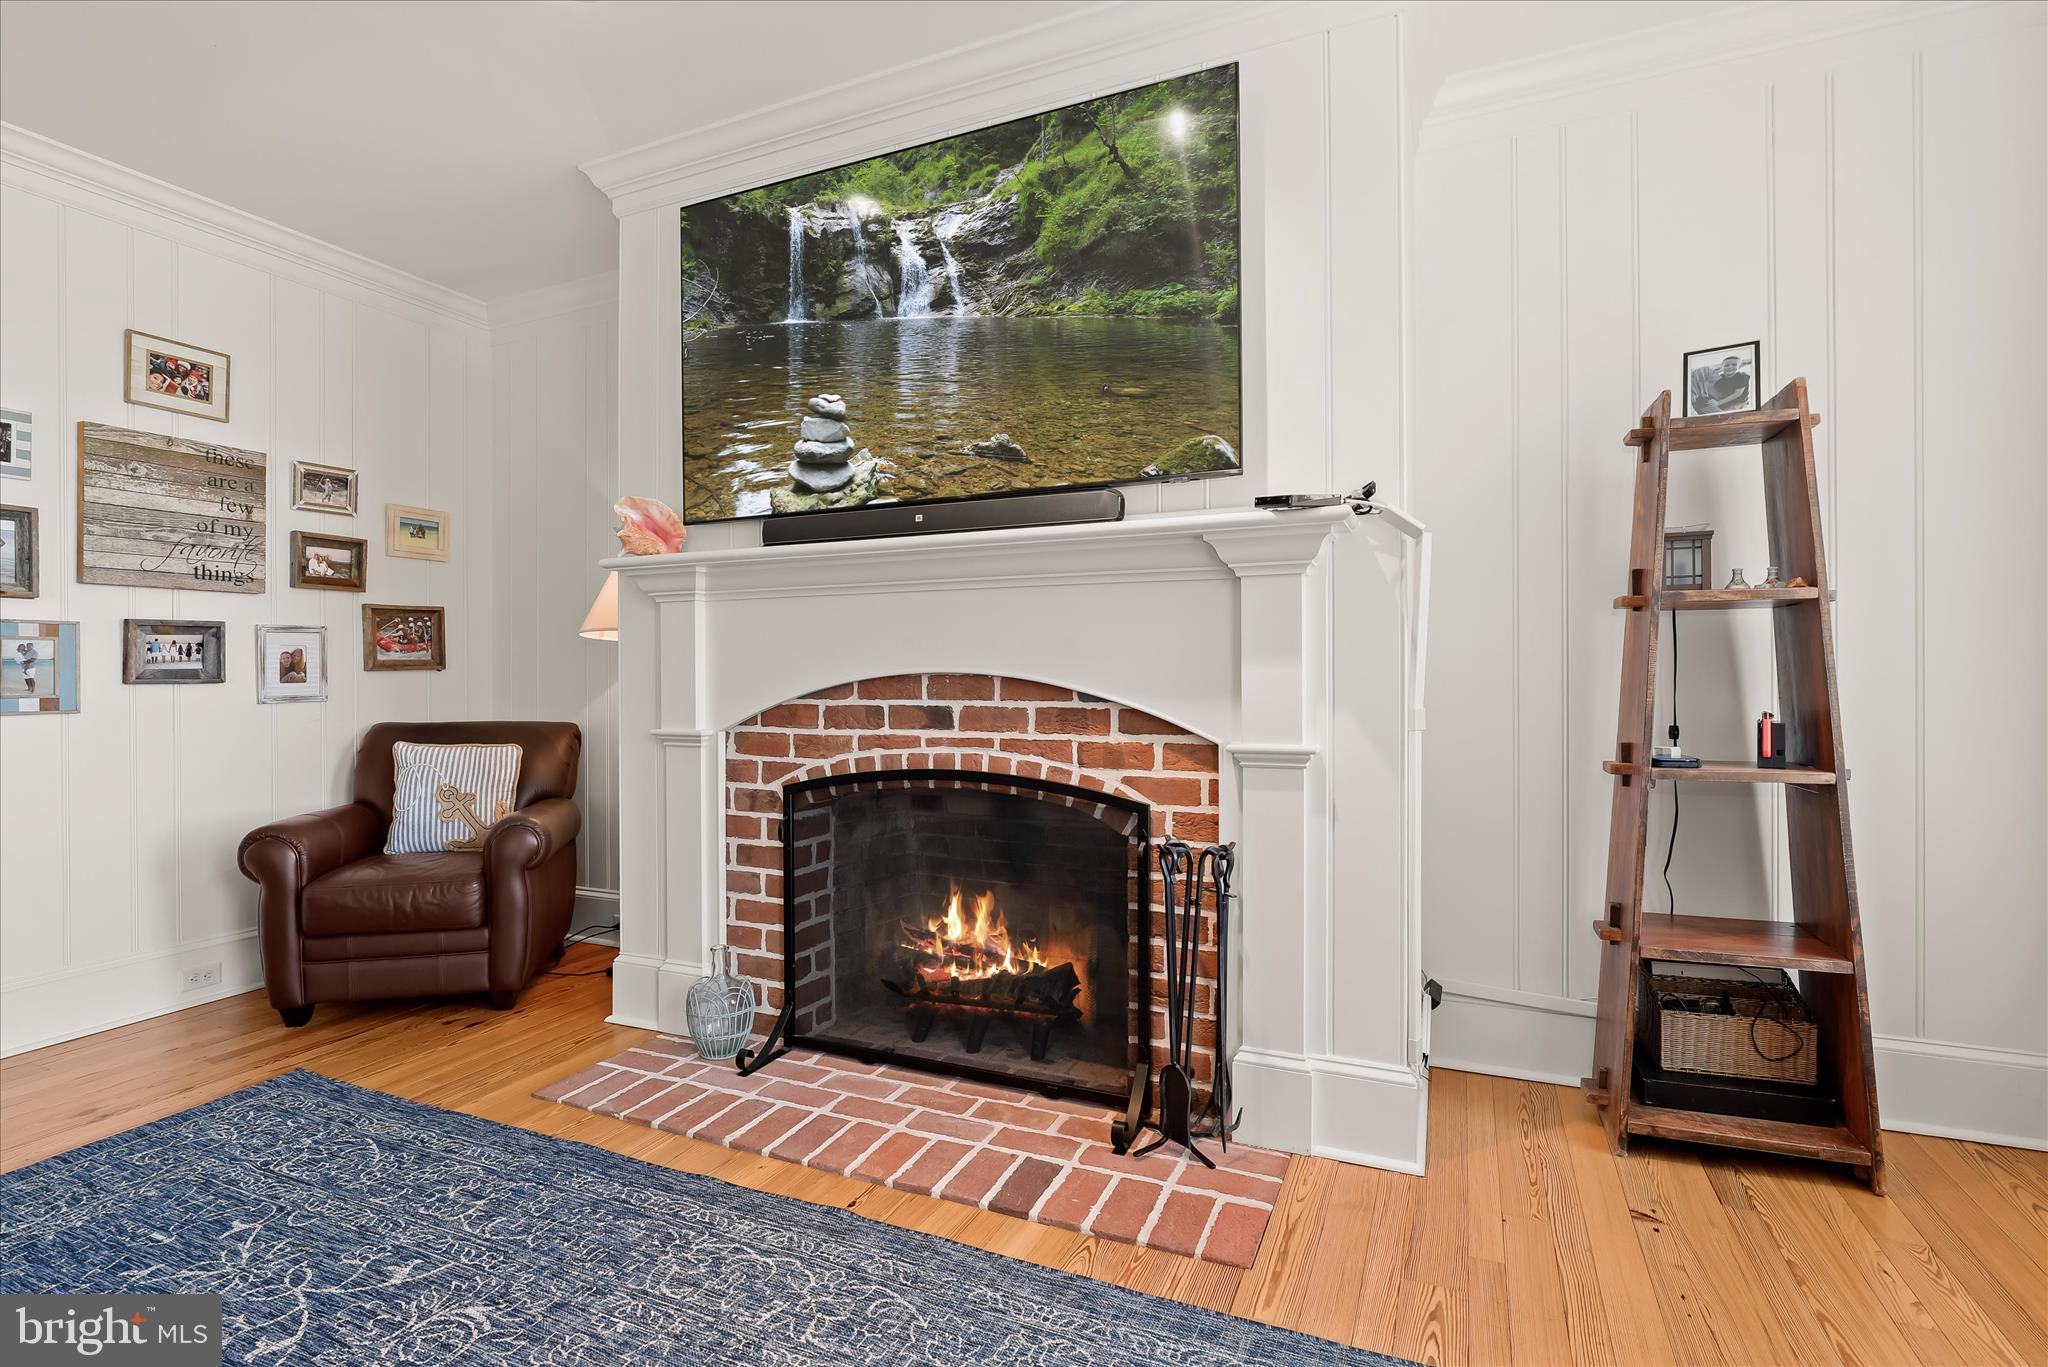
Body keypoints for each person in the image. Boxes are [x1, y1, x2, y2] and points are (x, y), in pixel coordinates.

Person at [1689, 352, 1754, 415]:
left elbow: (1738, 394)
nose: (1718, 372)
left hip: (1740, 402)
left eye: (1734, 365)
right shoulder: (1703, 400)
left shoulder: (1741, 377)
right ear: (1706, 379)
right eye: (1714, 372)